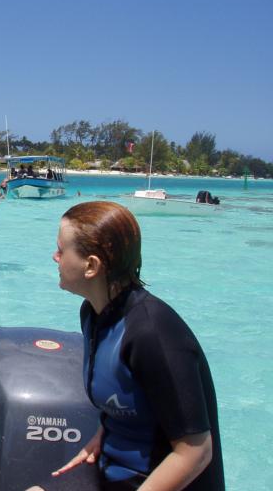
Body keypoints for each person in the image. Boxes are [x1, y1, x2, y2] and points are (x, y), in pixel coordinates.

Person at [30, 201, 223, 491]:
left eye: (61, 249)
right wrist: (104, 433)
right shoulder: (93, 315)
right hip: (111, 469)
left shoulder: (152, 333)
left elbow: (196, 452)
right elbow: (128, 399)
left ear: (91, 266)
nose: (54, 257)